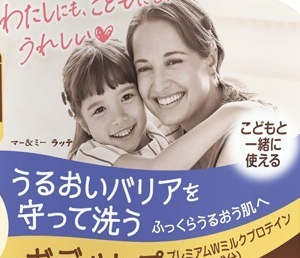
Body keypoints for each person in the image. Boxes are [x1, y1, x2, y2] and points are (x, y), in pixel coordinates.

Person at [126, 0, 270, 168]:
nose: (159, 85)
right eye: (144, 68)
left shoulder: (246, 138)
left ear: (211, 59)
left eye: (173, 62)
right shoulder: (171, 130)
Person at [63, 39, 244, 169]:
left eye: (126, 97)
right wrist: (229, 114)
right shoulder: (91, 156)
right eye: (100, 109)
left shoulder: (157, 132)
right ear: (82, 122)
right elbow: (156, 171)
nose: (119, 117)